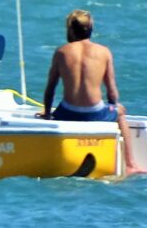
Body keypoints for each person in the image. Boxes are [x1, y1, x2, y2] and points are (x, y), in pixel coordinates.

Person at [41, 9, 141, 174]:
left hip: (68, 112)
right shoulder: (103, 52)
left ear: (71, 29)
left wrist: (46, 113)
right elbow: (112, 91)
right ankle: (130, 164)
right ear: (90, 29)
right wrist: (113, 107)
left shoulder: (62, 52)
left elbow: (50, 88)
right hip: (94, 112)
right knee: (121, 112)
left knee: (50, 112)